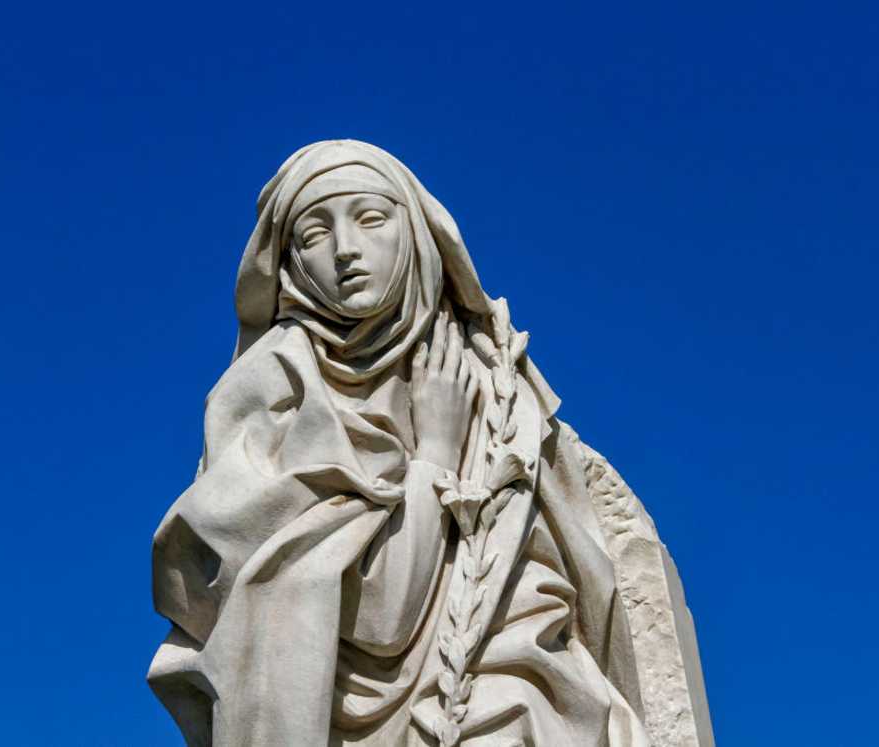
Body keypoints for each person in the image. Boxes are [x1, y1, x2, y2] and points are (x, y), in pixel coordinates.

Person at [148, 140, 649, 746]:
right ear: (289, 265)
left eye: (370, 219)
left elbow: (562, 593)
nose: (346, 251)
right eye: (313, 234)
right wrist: (433, 454)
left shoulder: (496, 389)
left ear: (413, 233)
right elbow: (372, 618)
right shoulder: (267, 392)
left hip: (493, 687)